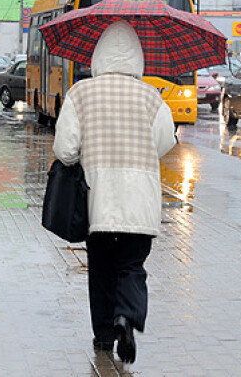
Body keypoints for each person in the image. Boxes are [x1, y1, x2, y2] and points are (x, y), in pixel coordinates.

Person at [53, 21, 176, 364]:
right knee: (132, 267)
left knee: (102, 268)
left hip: (98, 202)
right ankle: (128, 318)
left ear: (98, 56)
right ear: (137, 57)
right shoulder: (152, 97)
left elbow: (65, 150)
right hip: (141, 203)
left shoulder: (81, 93)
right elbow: (164, 143)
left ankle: (105, 336)